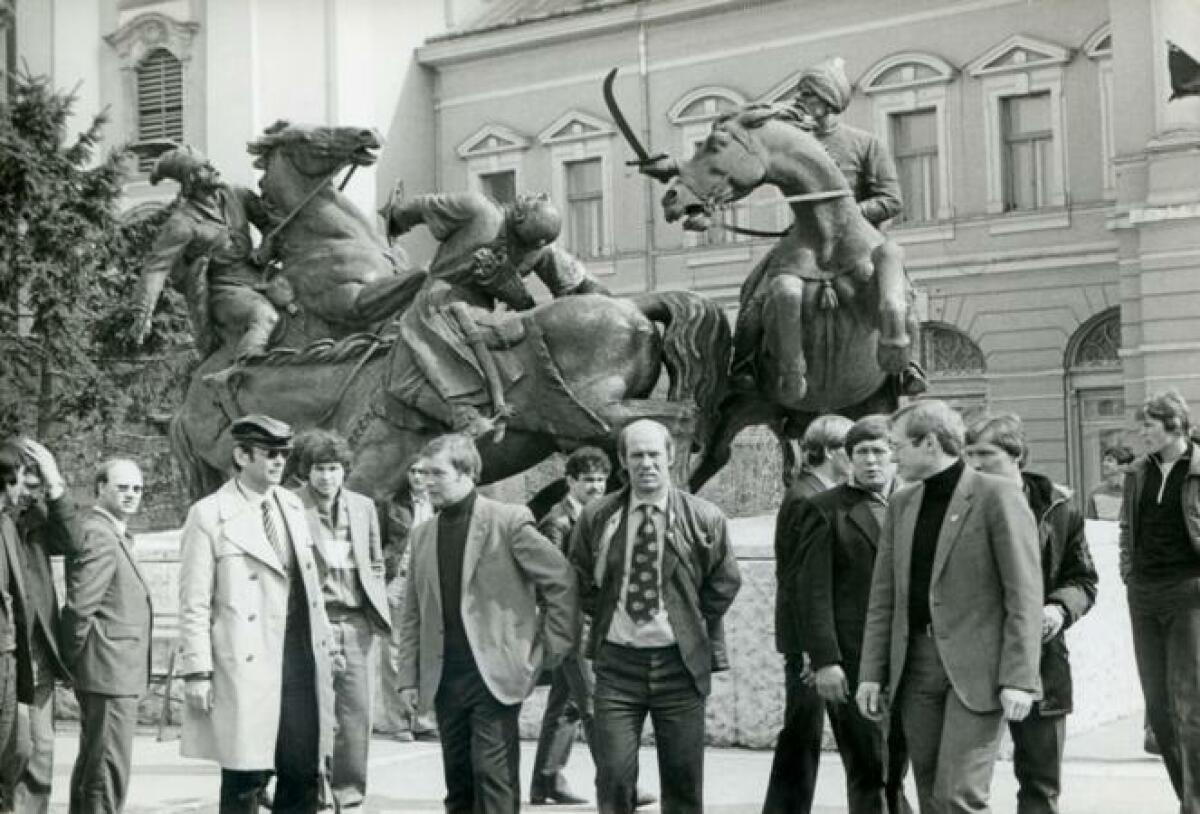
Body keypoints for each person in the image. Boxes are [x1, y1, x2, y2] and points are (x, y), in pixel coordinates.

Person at [856, 400, 1043, 814]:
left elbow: (1024, 595)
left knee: (959, 796)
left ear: (929, 443)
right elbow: (884, 598)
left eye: (898, 446)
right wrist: (871, 673)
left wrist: (1020, 678)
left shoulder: (998, 495)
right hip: (915, 667)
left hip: (978, 671)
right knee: (930, 794)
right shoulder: (902, 504)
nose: (892, 457)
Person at [396, 434, 578, 814]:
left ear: (467, 473)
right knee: (459, 782)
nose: (426, 482)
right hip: (444, 677)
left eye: (437, 473)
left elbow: (560, 579)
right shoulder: (423, 534)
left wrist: (551, 648)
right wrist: (409, 677)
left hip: (494, 673)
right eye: (423, 473)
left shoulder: (508, 521)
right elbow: (413, 612)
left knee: (493, 780)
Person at [569, 419, 742, 814]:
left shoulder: (704, 517)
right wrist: (608, 613)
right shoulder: (598, 516)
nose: (646, 464)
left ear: (670, 456)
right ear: (622, 461)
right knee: (614, 776)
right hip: (618, 667)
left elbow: (725, 579)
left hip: (679, 667)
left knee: (683, 784)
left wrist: (689, 620)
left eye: (653, 454)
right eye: (636, 455)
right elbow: (578, 576)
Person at [177, 414, 336, 814]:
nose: (280, 462)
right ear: (242, 456)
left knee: (302, 769)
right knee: (246, 777)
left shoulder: (293, 506)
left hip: (298, 658)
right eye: (270, 454)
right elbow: (194, 601)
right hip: (245, 662)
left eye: (284, 453)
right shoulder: (209, 514)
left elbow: (309, 585)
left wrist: (327, 645)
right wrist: (197, 671)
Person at [382, 191, 609, 437]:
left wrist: (395, 219)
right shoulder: (540, 248)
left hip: (437, 304)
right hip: (483, 316)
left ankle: (462, 416)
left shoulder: (479, 209)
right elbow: (581, 287)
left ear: (519, 212)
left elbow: (419, 206)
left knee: (401, 381)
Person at [964, 414, 1099, 814]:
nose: (975, 464)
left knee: (1040, 782)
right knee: (963, 784)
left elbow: (1083, 579)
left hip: (1041, 659)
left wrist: (1059, 608)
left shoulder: (1058, 508)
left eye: (985, 454)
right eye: (969, 454)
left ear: (1017, 455)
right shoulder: (957, 502)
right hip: (971, 656)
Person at [793, 415, 912, 814]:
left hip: (910, 658)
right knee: (867, 767)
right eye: (861, 452)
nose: (871, 461)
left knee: (897, 767)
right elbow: (812, 592)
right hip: (854, 660)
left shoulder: (915, 503)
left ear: (895, 455)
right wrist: (825, 660)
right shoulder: (825, 510)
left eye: (879, 451)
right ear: (848, 458)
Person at [528, 447, 655, 808]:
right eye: (588, 480)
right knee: (595, 705)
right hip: (571, 625)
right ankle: (620, 787)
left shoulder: (601, 516)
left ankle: (546, 781)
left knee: (566, 704)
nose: (596, 487)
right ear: (570, 482)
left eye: (600, 480)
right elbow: (549, 580)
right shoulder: (556, 523)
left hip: (592, 621)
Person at [292, 429, 391, 809]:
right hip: (312, 622)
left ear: (344, 470)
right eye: (319, 469)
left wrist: (376, 602)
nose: (326, 477)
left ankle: (348, 795)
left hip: (356, 622)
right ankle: (313, 789)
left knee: (356, 713)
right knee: (313, 712)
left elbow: (375, 561)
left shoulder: (363, 507)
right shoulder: (290, 504)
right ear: (306, 471)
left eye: (333, 468)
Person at [765, 413, 853, 814]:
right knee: (802, 733)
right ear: (832, 452)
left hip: (810, 641)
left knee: (803, 732)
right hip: (807, 644)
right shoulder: (806, 498)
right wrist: (807, 650)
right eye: (850, 449)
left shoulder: (811, 492)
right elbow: (797, 578)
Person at [1119, 390, 1200, 812]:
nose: (1142, 434)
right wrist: (1129, 574)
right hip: (1144, 594)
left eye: (1148, 425)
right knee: (1159, 709)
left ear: (1175, 425)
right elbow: (1127, 529)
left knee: (1191, 706)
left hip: (1189, 592)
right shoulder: (1137, 472)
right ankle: (1186, 797)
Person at [133, 145, 280, 373]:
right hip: (225, 290)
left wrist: (265, 250)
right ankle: (241, 376)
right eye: (204, 167)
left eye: (209, 163)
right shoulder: (182, 223)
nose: (213, 168)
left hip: (260, 275)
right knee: (264, 316)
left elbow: (272, 225)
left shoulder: (237, 195)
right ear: (191, 179)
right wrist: (144, 312)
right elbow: (156, 269)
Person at [60, 459, 153, 814]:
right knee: (105, 773)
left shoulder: (113, 533)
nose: (131, 495)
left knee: (94, 766)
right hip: (109, 671)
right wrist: (70, 660)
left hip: (112, 671)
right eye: (122, 487)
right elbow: (80, 607)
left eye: (137, 489)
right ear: (100, 488)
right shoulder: (100, 534)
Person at [8, 441, 77, 814]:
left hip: (36, 657)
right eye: (27, 483)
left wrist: (56, 483)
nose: (31, 494)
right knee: (13, 751)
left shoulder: (37, 518)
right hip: (6, 655)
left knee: (40, 750)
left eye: (38, 486)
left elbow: (73, 541)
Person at [375, 457, 438, 742]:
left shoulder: (442, 504)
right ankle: (399, 721)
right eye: (413, 471)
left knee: (431, 648)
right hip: (399, 580)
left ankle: (424, 719)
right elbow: (376, 544)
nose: (418, 476)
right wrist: (382, 582)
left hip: (432, 581)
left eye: (424, 471)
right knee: (394, 651)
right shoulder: (391, 504)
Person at [1085, 444, 1134, 521]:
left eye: (1110, 461)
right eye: (1104, 460)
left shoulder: (1133, 491)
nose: (1104, 464)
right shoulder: (1096, 492)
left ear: (1123, 466)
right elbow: (1090, 522)